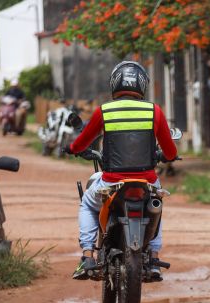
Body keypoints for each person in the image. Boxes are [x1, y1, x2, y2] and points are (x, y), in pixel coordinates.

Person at [67, 60, 177, 281]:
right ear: (142, 84)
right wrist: (165, 155)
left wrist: (71, 148)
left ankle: (87, 255)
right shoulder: (154, 111)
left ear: (115, 84)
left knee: (88, 204)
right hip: (145, 184)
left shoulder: (104, 111)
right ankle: (154, 258)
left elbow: (80, 144)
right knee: (156, 206)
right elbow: (171, 153)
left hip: (111, 184)